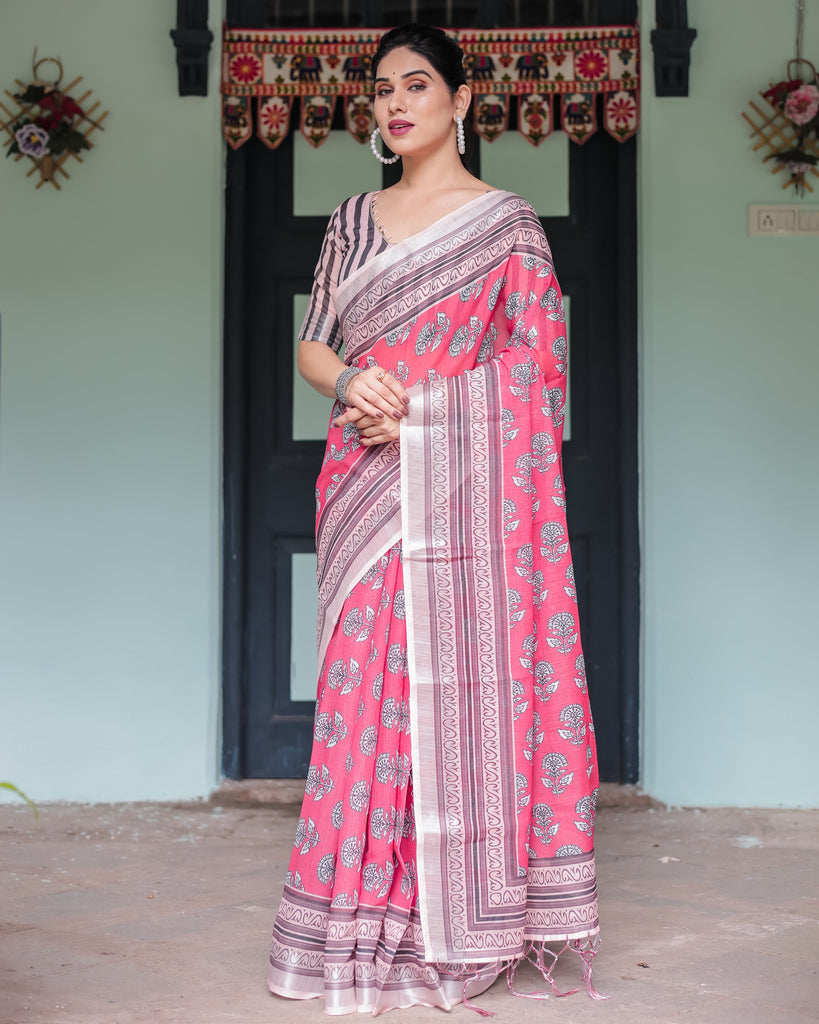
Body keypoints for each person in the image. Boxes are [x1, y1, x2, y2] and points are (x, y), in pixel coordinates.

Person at [268, 23, 601, 1016]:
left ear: (461, 100)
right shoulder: (351, 222)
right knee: (364, 704)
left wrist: (421, 406)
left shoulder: (506, 226)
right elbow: (313, 348)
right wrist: (361, 381)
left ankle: (454, 921)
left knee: (447, 692)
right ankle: (355, 921)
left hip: (463, 496)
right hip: (364, 488)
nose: (395, 103)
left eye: (418, 85)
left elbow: (541, 374)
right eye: (380, 90)